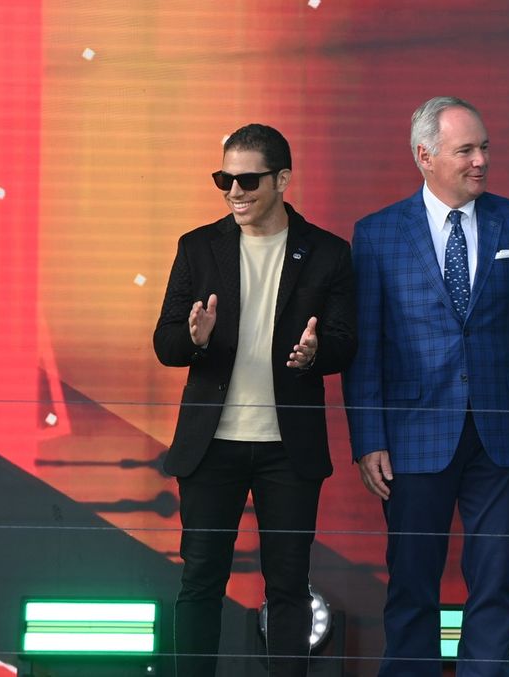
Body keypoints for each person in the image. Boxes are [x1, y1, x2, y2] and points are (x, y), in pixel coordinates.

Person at [342, 96, 509, 676]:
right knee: (412, 582)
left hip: (504, 435)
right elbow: (364, 349)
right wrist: (368, 438)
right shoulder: (377, 235)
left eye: (484, 147)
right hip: (413, 435)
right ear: (425, 156)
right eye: (465, 149)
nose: (481, 161)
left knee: (497, 581)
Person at [154, 123, 356, 677]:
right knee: (200, 582)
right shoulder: (197, 248)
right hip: (210, 445)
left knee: (288, 585)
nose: (234, 192)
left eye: (248, 179)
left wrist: (315, 353)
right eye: (225, 178)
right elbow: (166, 342)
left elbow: (345, 344)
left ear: (283, 179)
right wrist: (194, 338)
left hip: (287, 450)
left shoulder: (328, 254)